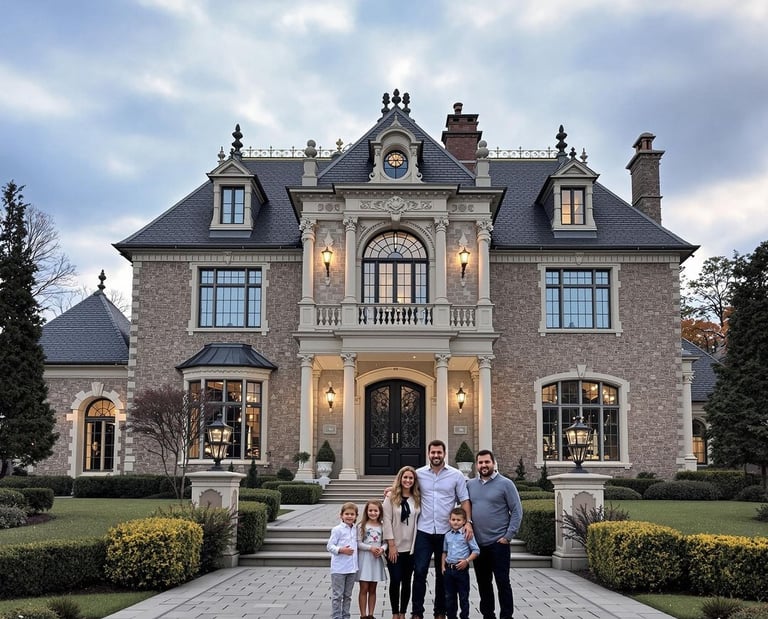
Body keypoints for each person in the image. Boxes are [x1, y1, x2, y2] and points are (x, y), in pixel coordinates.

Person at [411, 439, 472, 619]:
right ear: (428, 454)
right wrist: (390, 491)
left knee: (442, 573)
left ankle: (440, 612)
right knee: (420, 571)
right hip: (424, 530)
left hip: (447, 533)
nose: (436, 455)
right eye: (433, 452)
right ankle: (417, 612)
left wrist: (468, 522)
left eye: (439, 452)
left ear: (444, 453)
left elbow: (464, 500)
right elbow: (404, 487)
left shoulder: (456, 475)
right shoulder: (419, 474)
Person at [467, 449, 523, 619]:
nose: (484, 465)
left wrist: (508, 537)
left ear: (493, 463)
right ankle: (487, 615)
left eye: (487, 462)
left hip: (498, 544)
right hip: (478, 545)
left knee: (502, 582)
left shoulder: (506, 484)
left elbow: (517, 510)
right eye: (481, 462)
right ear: (476, 465)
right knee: (483, 584)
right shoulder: (470, 485)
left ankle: (507, 616)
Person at [383, 465, 421, 619]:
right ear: (400, 479)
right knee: (395, 579)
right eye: (405, 477)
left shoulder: (417, 498)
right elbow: (386, 521)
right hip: (395, 547)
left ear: (414, 480)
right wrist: (391, 545)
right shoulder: (390, 498)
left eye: (411, 478)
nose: (408, 480)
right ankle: (394, 613)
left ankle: (403, 612)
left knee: (406, 581)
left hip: (411, 548)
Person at [441, 507, 480, 619]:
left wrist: (467, 561)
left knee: (463, 597)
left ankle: (464, 616)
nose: (455, 522)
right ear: (449, 520)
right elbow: (444, 551)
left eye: (458, 520)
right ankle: (452, 616)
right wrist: (442, 566)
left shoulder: (466, 534)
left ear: (464, 521)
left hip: (461, 570)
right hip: (449, 570)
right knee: (449, 597)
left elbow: (476, 550)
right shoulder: (447, 535)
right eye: (453, 519)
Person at [327, 502, 359, 619]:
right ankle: (336, 616)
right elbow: (330, 546)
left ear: (356, 516)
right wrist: (341, 550)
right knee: (337, 595)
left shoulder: (356, 529)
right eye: (347, 514)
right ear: (341, 515)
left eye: (352, 514)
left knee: (348, 595)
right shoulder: (337, 530)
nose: (349, 516)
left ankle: (346, 616)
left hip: (352, 568)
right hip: (339, 569)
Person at [357, 499, 388, 619]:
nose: (373, 513)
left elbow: (385, 542)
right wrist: (370, 548)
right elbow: (358, 543)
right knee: (364, 588)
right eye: (370, 510)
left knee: (373, 588)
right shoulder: (361, 526)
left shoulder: (383, 526)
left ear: (380, 512)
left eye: (376, 511)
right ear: (366, 511)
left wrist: (382, 549)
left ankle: (371, 614)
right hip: (365, 559)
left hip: (376, 560)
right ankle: (363, 615)